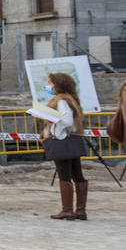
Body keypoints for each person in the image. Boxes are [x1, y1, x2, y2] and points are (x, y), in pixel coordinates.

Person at [42, 72, 89, 220]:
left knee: (64, 175)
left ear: (57, 85)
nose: (48, 85)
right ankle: (80, 211)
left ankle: (67, 210)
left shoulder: (61, 100)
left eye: (50, 82)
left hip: (62, 140)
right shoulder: (72, 99)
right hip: (73, 141)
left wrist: (52, 120)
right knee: (77, 174)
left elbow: (67, 121)